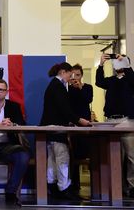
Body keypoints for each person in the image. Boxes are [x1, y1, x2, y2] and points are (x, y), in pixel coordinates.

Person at [40, 62, 90, 201]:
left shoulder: (54, 85)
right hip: (57, 128)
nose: (70, 77)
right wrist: (79, 120)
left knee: (52, 160)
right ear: (63, 72)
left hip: (50, 128)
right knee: (62, 158)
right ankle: (64, 188)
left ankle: (53, 187)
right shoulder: (58, 86)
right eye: (70, 74)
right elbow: (64, 109)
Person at [95, 53, 134, 198]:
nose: (117, 65)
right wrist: (101, 65)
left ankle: (132, 186)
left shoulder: (130, 80)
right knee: (115, 156)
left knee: (131, 156)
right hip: (111, 120)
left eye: (121, 62)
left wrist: (125, 63)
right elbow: (99, 82)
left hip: (127, 120)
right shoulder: (111, 81)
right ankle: (117, 186)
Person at [68, 64, 93, 192]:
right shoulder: (67, 89)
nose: (75, 78)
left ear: (81, 75)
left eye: (77, 75)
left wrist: (80, 88)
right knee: (72, 155)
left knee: (87, 154)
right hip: (72, 126)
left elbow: (87, 100)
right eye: (72, 75)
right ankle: (74, 184)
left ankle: (94, 185)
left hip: (85, 125)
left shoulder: (87, 87)